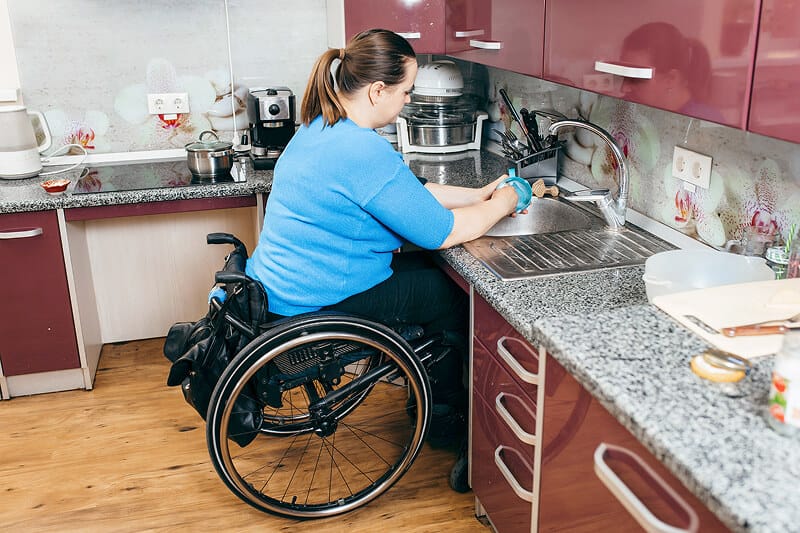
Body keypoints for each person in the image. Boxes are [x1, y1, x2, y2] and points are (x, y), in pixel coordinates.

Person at [244, 28, 522, 493]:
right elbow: (444, 233)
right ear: (378, 90)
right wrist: (505, 203)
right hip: (317, 303)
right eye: (406, 91)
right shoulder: (362, 149)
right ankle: (450, 422)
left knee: (427, 281)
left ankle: (427, 393)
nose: (408, 101)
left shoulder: (320, 127)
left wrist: (478, 194)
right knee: (448, 295)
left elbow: (406, 194)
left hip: (279, 291)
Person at [619, 22, 725, 123]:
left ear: (670, 79)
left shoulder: (702, 124)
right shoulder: (631, 108)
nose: (624, 88)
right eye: (624, 73)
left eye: (636, 76)